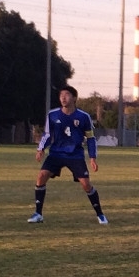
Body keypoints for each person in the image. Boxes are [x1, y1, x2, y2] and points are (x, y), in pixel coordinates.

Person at [27, 85, 108, 225]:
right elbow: (47, 134)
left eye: (67, 95)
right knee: (41, 177)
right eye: (61, 95)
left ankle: (100, 214)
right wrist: (41, 149)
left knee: (86, 185)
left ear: (74, 98)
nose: (63, 98)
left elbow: (90, 138)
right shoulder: (52, 115)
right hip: (56, 154)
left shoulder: (83, 117)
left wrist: (93, 158)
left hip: (75, 155)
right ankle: (38, 214)